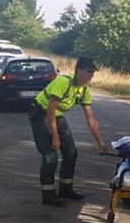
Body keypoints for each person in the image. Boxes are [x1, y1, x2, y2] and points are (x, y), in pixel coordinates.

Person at [29, 57, 111, 206]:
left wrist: (101, 143)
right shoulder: (63, 82)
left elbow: (91, 119)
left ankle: (65, 189)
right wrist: (55, 137)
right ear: (78, 70)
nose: (92, 75)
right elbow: (50, 110)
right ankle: (48, 194)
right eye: (89, 71)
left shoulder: (83, 89)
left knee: (71, 152)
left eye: (93, 72)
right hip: (41, 114)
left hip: (56, 115)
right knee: (50, 155)